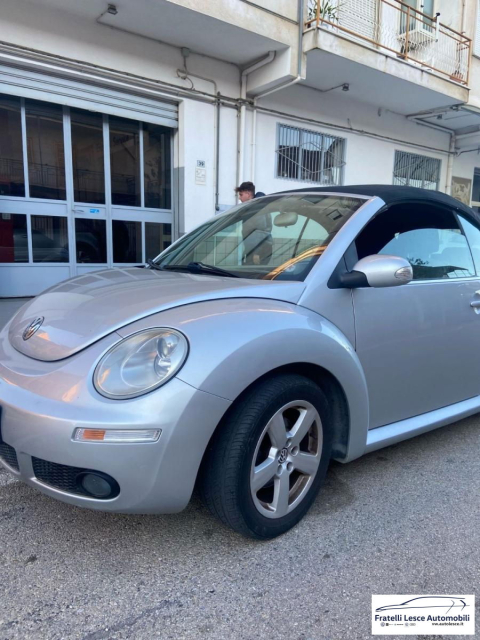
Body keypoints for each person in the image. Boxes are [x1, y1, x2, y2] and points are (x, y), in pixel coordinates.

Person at [234, 182, 271, 265]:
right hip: (254, 249)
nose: (239, 198)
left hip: (258, 251)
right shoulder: (252, 208)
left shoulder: (257, 209)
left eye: (241, 195)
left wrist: (256, 253)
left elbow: (261, 231)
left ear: (248, 194)